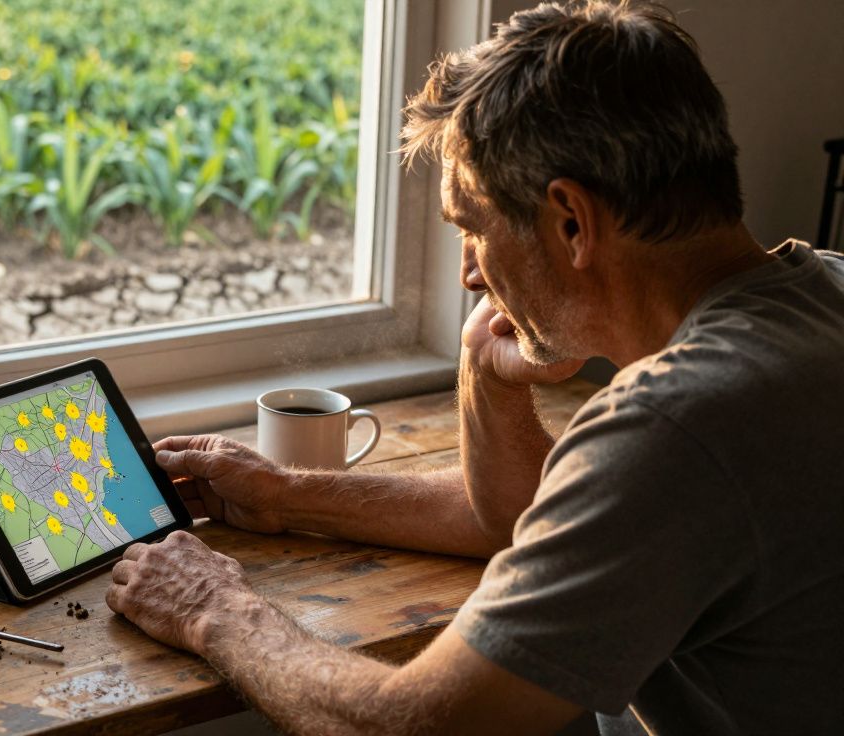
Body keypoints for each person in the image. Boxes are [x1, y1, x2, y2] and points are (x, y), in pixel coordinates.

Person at [103, 1, 844, 734]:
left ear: (571, 223)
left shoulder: (674, 427)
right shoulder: (824, 291)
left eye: (473, 228)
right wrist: (285, 494)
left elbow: (410, 727)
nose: (466, 274)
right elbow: (545, 530)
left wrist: (214, 611)